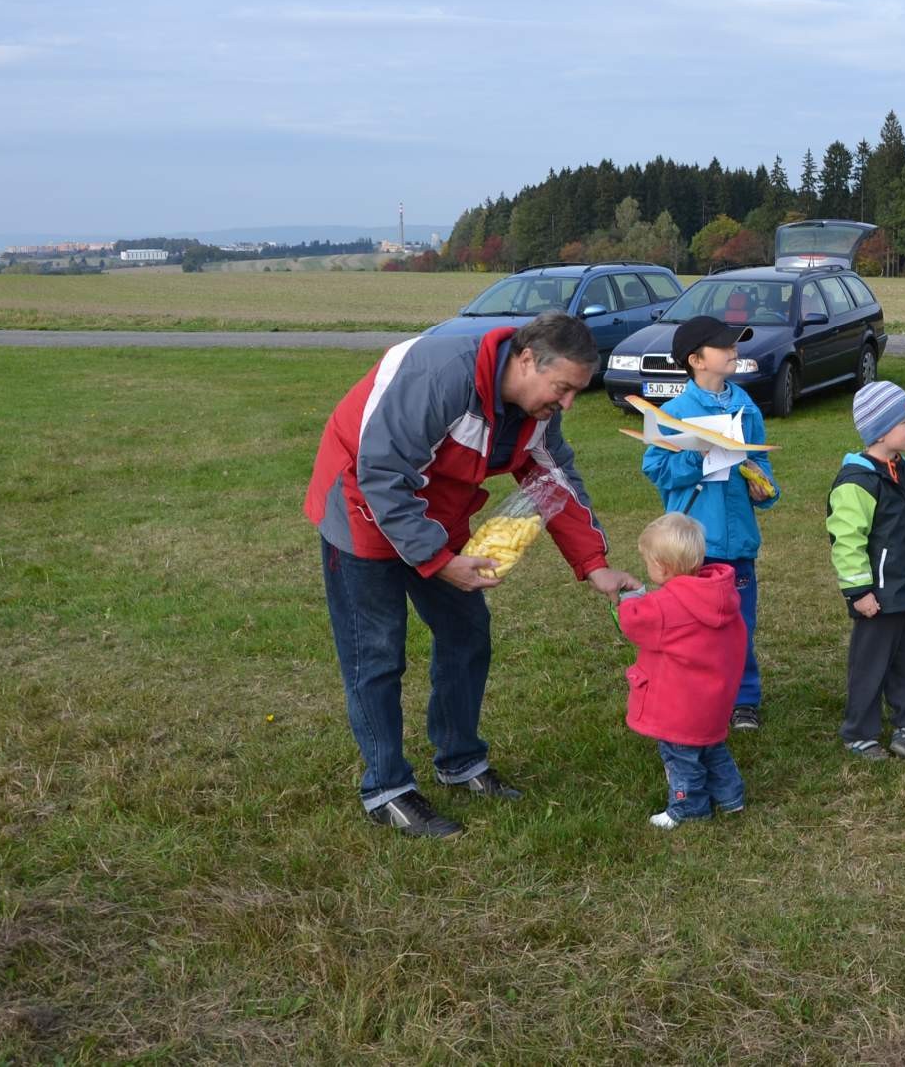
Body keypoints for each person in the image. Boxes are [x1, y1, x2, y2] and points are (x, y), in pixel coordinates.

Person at [306, 312, 641, 838]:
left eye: (577, 391)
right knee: (376, 654)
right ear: (527, 360)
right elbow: (381, 473)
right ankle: (387, 789)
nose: (568, 404)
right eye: (563, 388)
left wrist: (593, 564)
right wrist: (439, 562)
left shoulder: (535, 409)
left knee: (466, 634)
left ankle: (459, 761)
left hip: (437, 517)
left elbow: (554, 476)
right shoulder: (439, 376)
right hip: (361, 509)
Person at [640, 315, 779, 733]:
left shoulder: (746, 407)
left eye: (734, 344)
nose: (733, 350)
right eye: (723, 346)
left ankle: (744, 699)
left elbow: (761, 458)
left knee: (739, 625)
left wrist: (764, 485)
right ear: (696, 360)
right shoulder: (671, 414)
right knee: (693, 627)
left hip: (739, 542)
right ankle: (695, 694)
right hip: (694, 545)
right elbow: (657, 470)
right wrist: (695, 457)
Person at [827, 381, 905, 761]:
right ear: (879, 432)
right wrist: (858, 591)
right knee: (870, 665)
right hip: (877, 596)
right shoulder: (856, 482)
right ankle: (860, 731)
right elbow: (847, 541)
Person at [617, 513, 749, 830]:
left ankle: (689, 807)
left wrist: (629, 597)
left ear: (661, 567)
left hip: (679, 708)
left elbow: (633, 623)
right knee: (712, 749)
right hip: (713, 702)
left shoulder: (666, 606)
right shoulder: (719, 594)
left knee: (681, 758)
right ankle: (731, 797)